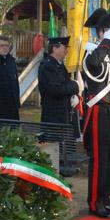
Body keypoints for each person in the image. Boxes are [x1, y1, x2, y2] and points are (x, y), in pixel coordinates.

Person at [81, 8, 110, 219]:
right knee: (99, 158)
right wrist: (105, 41)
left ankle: (106, 199)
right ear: (102, 32)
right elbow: (94, 66)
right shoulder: (92, 50)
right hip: (99, 109)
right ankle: (95, 201)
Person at [38, 36, 81, 176]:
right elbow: (57, 89)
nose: (66, 51)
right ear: (55, 48)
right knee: (53, 144)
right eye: (64, 48)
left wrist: (72, 91)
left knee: (64, 143)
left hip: (63, 111)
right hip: (53, 112)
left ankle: (64, 169)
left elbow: (65, 84)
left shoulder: (59, 65)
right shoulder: (47, 66)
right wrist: (75, 86)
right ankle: (54, 172)